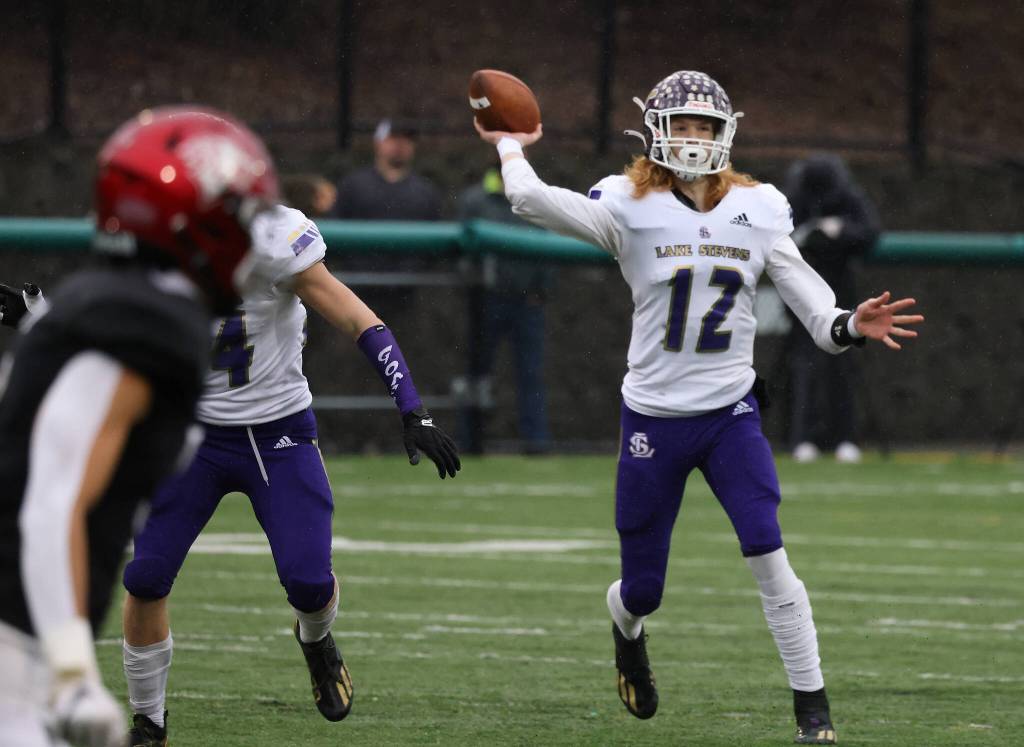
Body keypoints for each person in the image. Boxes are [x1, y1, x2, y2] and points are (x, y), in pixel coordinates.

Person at [474, 70, 922, 745]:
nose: (692, 137)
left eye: (705, 126)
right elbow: (530, 201)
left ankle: (814, 712)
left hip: (728, 414)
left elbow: (819, 316)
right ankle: (626, 628)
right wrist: (510, 143)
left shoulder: (761, 206)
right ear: (653, 129)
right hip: (653, 418)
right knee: (643, 588)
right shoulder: (625, 202)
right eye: (681, 124)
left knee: (768, 548)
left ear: (726, 134)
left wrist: (852, 324)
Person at [118, 129, 461, 745]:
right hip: (190, 436)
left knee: (308, 582)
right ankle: (148, 720)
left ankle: (316, 638)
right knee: (145, 576)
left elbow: (359, 319)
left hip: (276, 432)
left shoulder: (277, 238)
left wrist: (412, 408)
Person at [0, 106, 277, 747]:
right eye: (239, 216)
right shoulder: (147, 322)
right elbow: (54, 498)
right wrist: (71, 669)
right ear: (189, 219)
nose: (250, 238)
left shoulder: (105, 299)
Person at [784, 154, 881, 464]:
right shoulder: (795, 198)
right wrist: (810, 232)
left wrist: (839, 231)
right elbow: (778, 237)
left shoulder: (847, 198)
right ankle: (803, 438)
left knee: (843, 369)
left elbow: (870, 233)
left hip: (842, 296)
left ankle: (846, 437)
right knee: (805, 367)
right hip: (801, 299)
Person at [457, 162, 553, 454]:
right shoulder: (475, 200)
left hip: (527, 301)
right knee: (477, 371)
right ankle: (470, 442)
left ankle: (536, 443)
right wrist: (474, 286)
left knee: (531, 373)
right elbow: (462, 249)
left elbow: (547, 245)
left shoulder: (533, 198)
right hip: (487, 300)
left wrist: (541, 290)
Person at [334, 118, 442, 222]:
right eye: (393, 137)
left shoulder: (426, 192)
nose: (400, 143)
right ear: (377, 142)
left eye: (407, 138)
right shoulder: (353, 186)